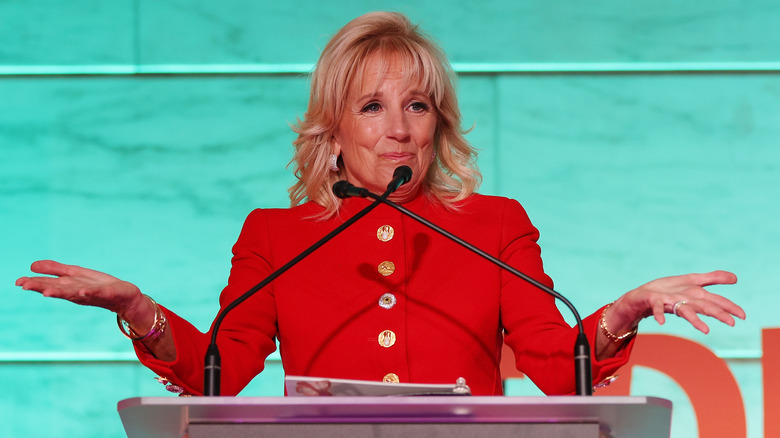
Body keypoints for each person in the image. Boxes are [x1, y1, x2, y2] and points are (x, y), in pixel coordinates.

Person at [15, 12, 745, 397]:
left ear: (440, 122)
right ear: (332, 129)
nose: (398, 128)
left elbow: (559, 367)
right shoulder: (276, 236)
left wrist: (625, 310)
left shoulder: (495, 224)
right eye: (370, 106)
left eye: (418, 105)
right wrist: (137, 309)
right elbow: (221, 372)